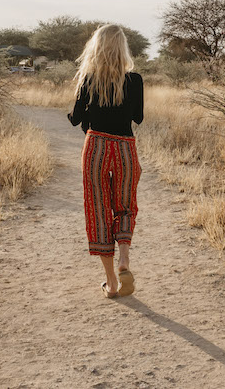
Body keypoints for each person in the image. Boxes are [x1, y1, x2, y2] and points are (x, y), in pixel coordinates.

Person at [67, 24, 144, 298]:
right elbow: (138, 118)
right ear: (122, 47)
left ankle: (111, 283)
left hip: (96, 147)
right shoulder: (134, 80)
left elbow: (76, 118)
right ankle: (124, 258)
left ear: (95, 47)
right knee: (125, 206)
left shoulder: (88, 78)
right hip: (125, 148)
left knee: (98, 211)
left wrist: (86, 115)